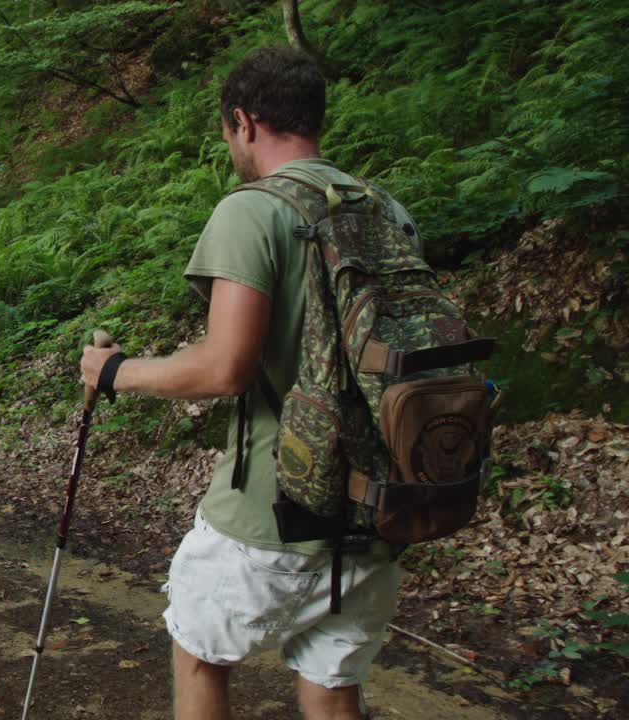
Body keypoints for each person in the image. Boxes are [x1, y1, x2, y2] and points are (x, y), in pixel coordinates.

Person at [80, 47, 411, 720]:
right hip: (375, 504)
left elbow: (224, 367)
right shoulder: (385, 212)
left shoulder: (251, 211)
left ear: (243, 122)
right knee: (332, 682)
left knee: (200, 655)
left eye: (228, 132)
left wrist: (114, 372)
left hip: (272, 508)